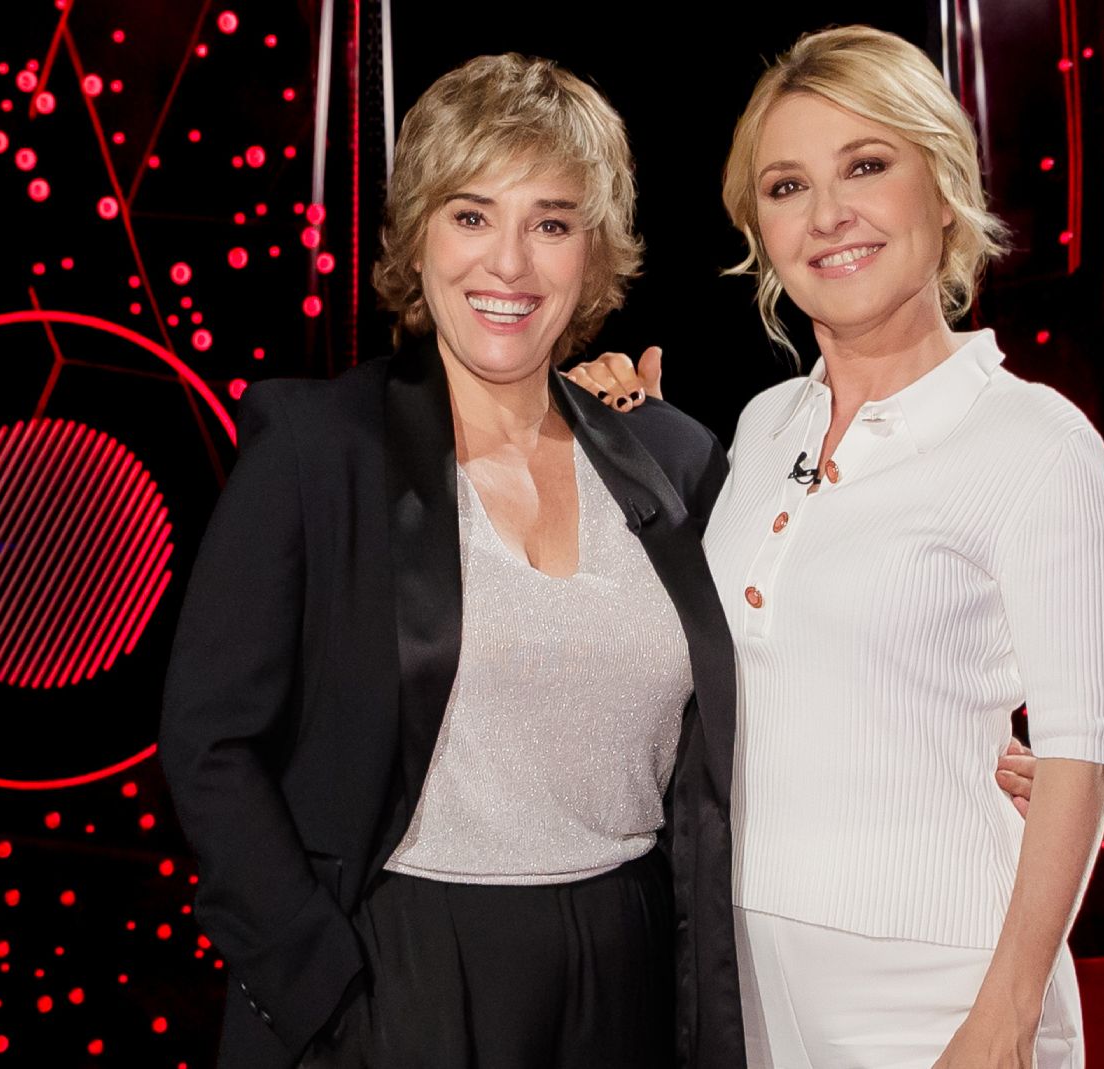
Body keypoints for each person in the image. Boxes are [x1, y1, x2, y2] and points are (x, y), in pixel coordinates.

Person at [158, 54, 746, 1069]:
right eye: (472, 215)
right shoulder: (317, 449)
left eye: (551, 224)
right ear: (418, 234)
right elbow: (209, 741)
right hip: (405, 974)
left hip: (634, 966)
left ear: (594, 252)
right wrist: (321, 989)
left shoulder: (674, 457)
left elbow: (763, 690)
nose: (508, 264)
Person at [567, 25, 1104, 1068]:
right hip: (746, 970)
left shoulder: (1035, 442)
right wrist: (624, 424)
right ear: (761, 232)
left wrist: (1004, 1020)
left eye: (866, 166)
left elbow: (1082, 754)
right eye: (787, 187)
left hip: (946, 981)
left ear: (943, 189)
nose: (827, 215)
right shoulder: (762, 426)